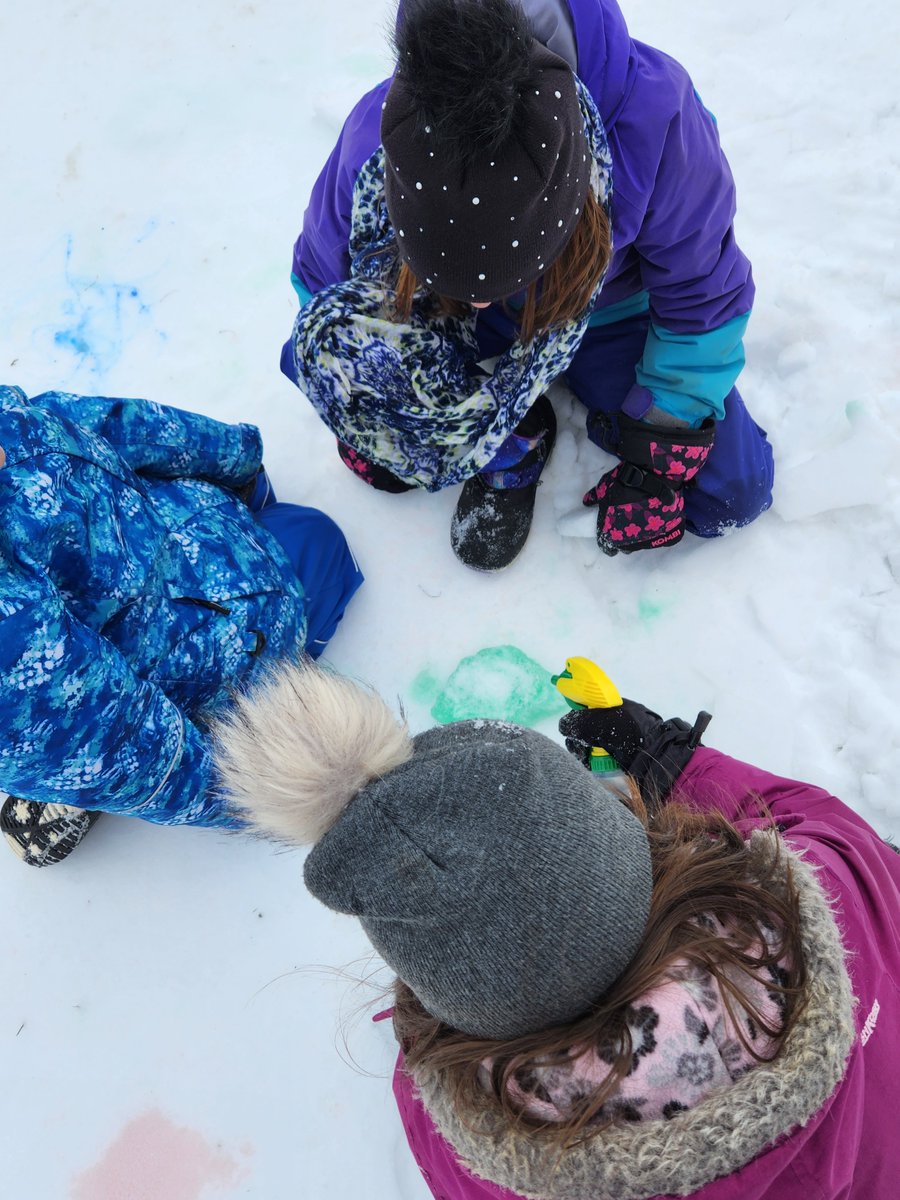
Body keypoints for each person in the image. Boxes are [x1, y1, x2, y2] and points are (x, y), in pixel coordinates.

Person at [216, 660, 899, 1198]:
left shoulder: (476, 1149)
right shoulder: (830, 898)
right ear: (635, 838)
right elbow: (814, 818)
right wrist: (664, 758)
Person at [281, 0, 773, 571]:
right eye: (465, 281)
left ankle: (525, 409)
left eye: (506, 274)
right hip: (450, 318)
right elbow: (323, 288)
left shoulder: (655, 120)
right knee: (387, 442)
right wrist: (370, 395)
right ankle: (513, 442)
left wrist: (662, 445)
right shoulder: (379, 137)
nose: (481, 301)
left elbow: (702, 297)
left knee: (730, 490)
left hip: (609, 315)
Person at [0, 385, 363, 867]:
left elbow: (118, 426)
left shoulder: (13, 427)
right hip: (183, 666)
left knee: (297, 529)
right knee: (319, 544)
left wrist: (237, 459)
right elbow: (144, 755)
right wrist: (273, 793)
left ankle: (65, 771)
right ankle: (68, 779)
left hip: (181, 531)